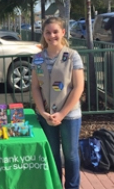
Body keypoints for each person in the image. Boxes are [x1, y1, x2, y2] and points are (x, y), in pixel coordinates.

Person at [31, 17, 84, 189]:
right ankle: (55, 185)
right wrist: (42, 112)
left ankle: (72, 186)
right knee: (52, 154)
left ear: (62, 32)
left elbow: (78, 88)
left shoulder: (72, 56)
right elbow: (35, 88)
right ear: (43, 34)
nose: (51, 35)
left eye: (55, 32)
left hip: (69, 115)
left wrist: (61, 114)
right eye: (48, 32)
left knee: (70, 155)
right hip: (46, 115)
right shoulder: (38, 58)